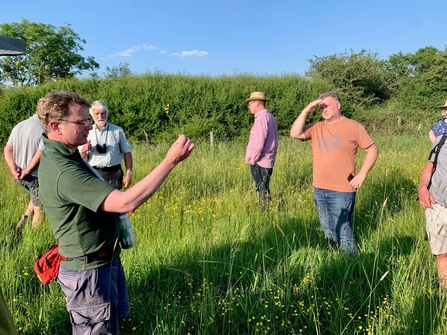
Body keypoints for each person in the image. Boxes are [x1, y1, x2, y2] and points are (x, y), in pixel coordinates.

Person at [36, 90, 194, 335]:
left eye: (89, 119)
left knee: (116, 322)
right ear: (56, 126)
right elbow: (125, 203)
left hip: (103, 261)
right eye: (82, 121)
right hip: (89, 274)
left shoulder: (68, 153)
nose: (90, 126)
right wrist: (170, 161)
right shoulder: (63, 169)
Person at [290, 91, 379, 255]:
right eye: (321, 107)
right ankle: (336, 260)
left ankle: (355, 266)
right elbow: (295, 133)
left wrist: (362, 174)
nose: (324, 109)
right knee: (328, 229)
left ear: (338, 106)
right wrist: (306, 110)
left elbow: (373, 150)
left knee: (343, 230)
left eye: (327, 105)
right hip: (320, 188)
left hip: (342, 190)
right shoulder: (317, 127)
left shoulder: (353, 126)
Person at [79, 100, 133, 190]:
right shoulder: (87, 132)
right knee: (95, 202)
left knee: (115, 203)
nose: (100, 117)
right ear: (92, 115)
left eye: (103, 113)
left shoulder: (117, 130)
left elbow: (127, 152)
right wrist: (83, 150)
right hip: (93, 173)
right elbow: (83, 159)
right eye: (97, 114)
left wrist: (129, 174)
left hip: (114, 173)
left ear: (107, 114)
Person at [4, 113, 44, 231]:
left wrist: (13, 167)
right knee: (40, 208)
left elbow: (8, 149)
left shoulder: (19, 125)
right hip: (34, 175)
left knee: (34, 198)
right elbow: (40, 153)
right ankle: (34, 236)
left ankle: (21, 226)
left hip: (19, 175)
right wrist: (27, 171)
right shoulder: (44, 128)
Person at [418, 136, 447, 290]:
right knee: (442, 253)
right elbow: (430, 166)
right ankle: (444, 292)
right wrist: (422, 188)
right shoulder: (442, 140)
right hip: (437, 206)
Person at [245, 91, 278, 203]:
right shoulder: (270, 117)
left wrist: (253, 160)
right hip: (268, 160)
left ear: (257, 103)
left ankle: (265, 212)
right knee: (264, 188)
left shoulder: (261, 118)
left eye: (250, 104)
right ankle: (267, 211)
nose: (249, 106)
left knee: (262, 190)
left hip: (261, 161)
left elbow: (259, 142)